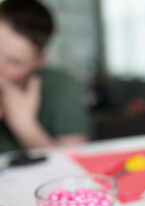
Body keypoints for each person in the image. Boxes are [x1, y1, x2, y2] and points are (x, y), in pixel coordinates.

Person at [0, 0, 89, 153]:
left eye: (15, 62)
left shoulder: (62, 86)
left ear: (39, 61)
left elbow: (74, 163)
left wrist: (24, 124)